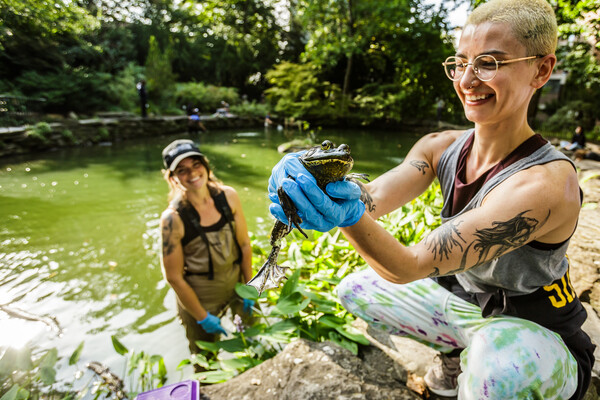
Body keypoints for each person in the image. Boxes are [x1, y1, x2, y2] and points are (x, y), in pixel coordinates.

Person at [266, 0, 594, 398]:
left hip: (533, 329)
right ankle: (456, 351)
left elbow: (410, 265)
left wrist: (345, 216)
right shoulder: (440, 147)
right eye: (460, 62)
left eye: (489, 63)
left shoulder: (545, 184)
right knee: (355, 290)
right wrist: (318, 183)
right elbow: (372, 196)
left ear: (541, 69)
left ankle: (499, 370)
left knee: (499, 374)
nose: (467, 80)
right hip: (465, 303)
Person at [159, 139, 254, 360]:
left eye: (196, 165)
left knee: (253, 340)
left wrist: (250, 288)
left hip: (237, 283)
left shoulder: (228, 196)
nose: (192, 173)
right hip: (200, 296)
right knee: (206, 360)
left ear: (205, 165)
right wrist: (202, 317)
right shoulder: (172, 219)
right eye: (182, 170)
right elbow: (173, 277)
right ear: (173, 178)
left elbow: (244, 245)